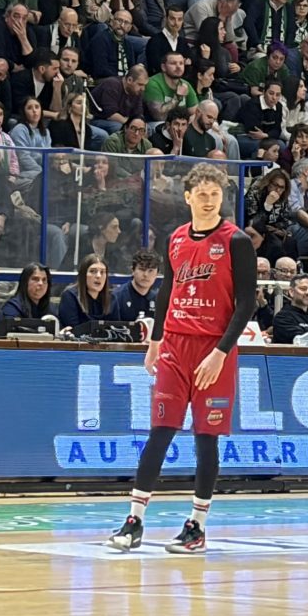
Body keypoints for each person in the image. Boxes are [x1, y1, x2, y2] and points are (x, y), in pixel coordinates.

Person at [105, 164, 254, 556]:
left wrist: (221, 352)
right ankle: (134, 520)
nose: (209, 200)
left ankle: (197, 526)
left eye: (215, 194)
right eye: (201, 193)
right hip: (174, 345)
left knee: (206, 440)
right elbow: (166, 292)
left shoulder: (236, 241)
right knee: (160, 431)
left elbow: (247, 303)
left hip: (213, 349)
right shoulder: (175, 240)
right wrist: (155, 341)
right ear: (187, 197)